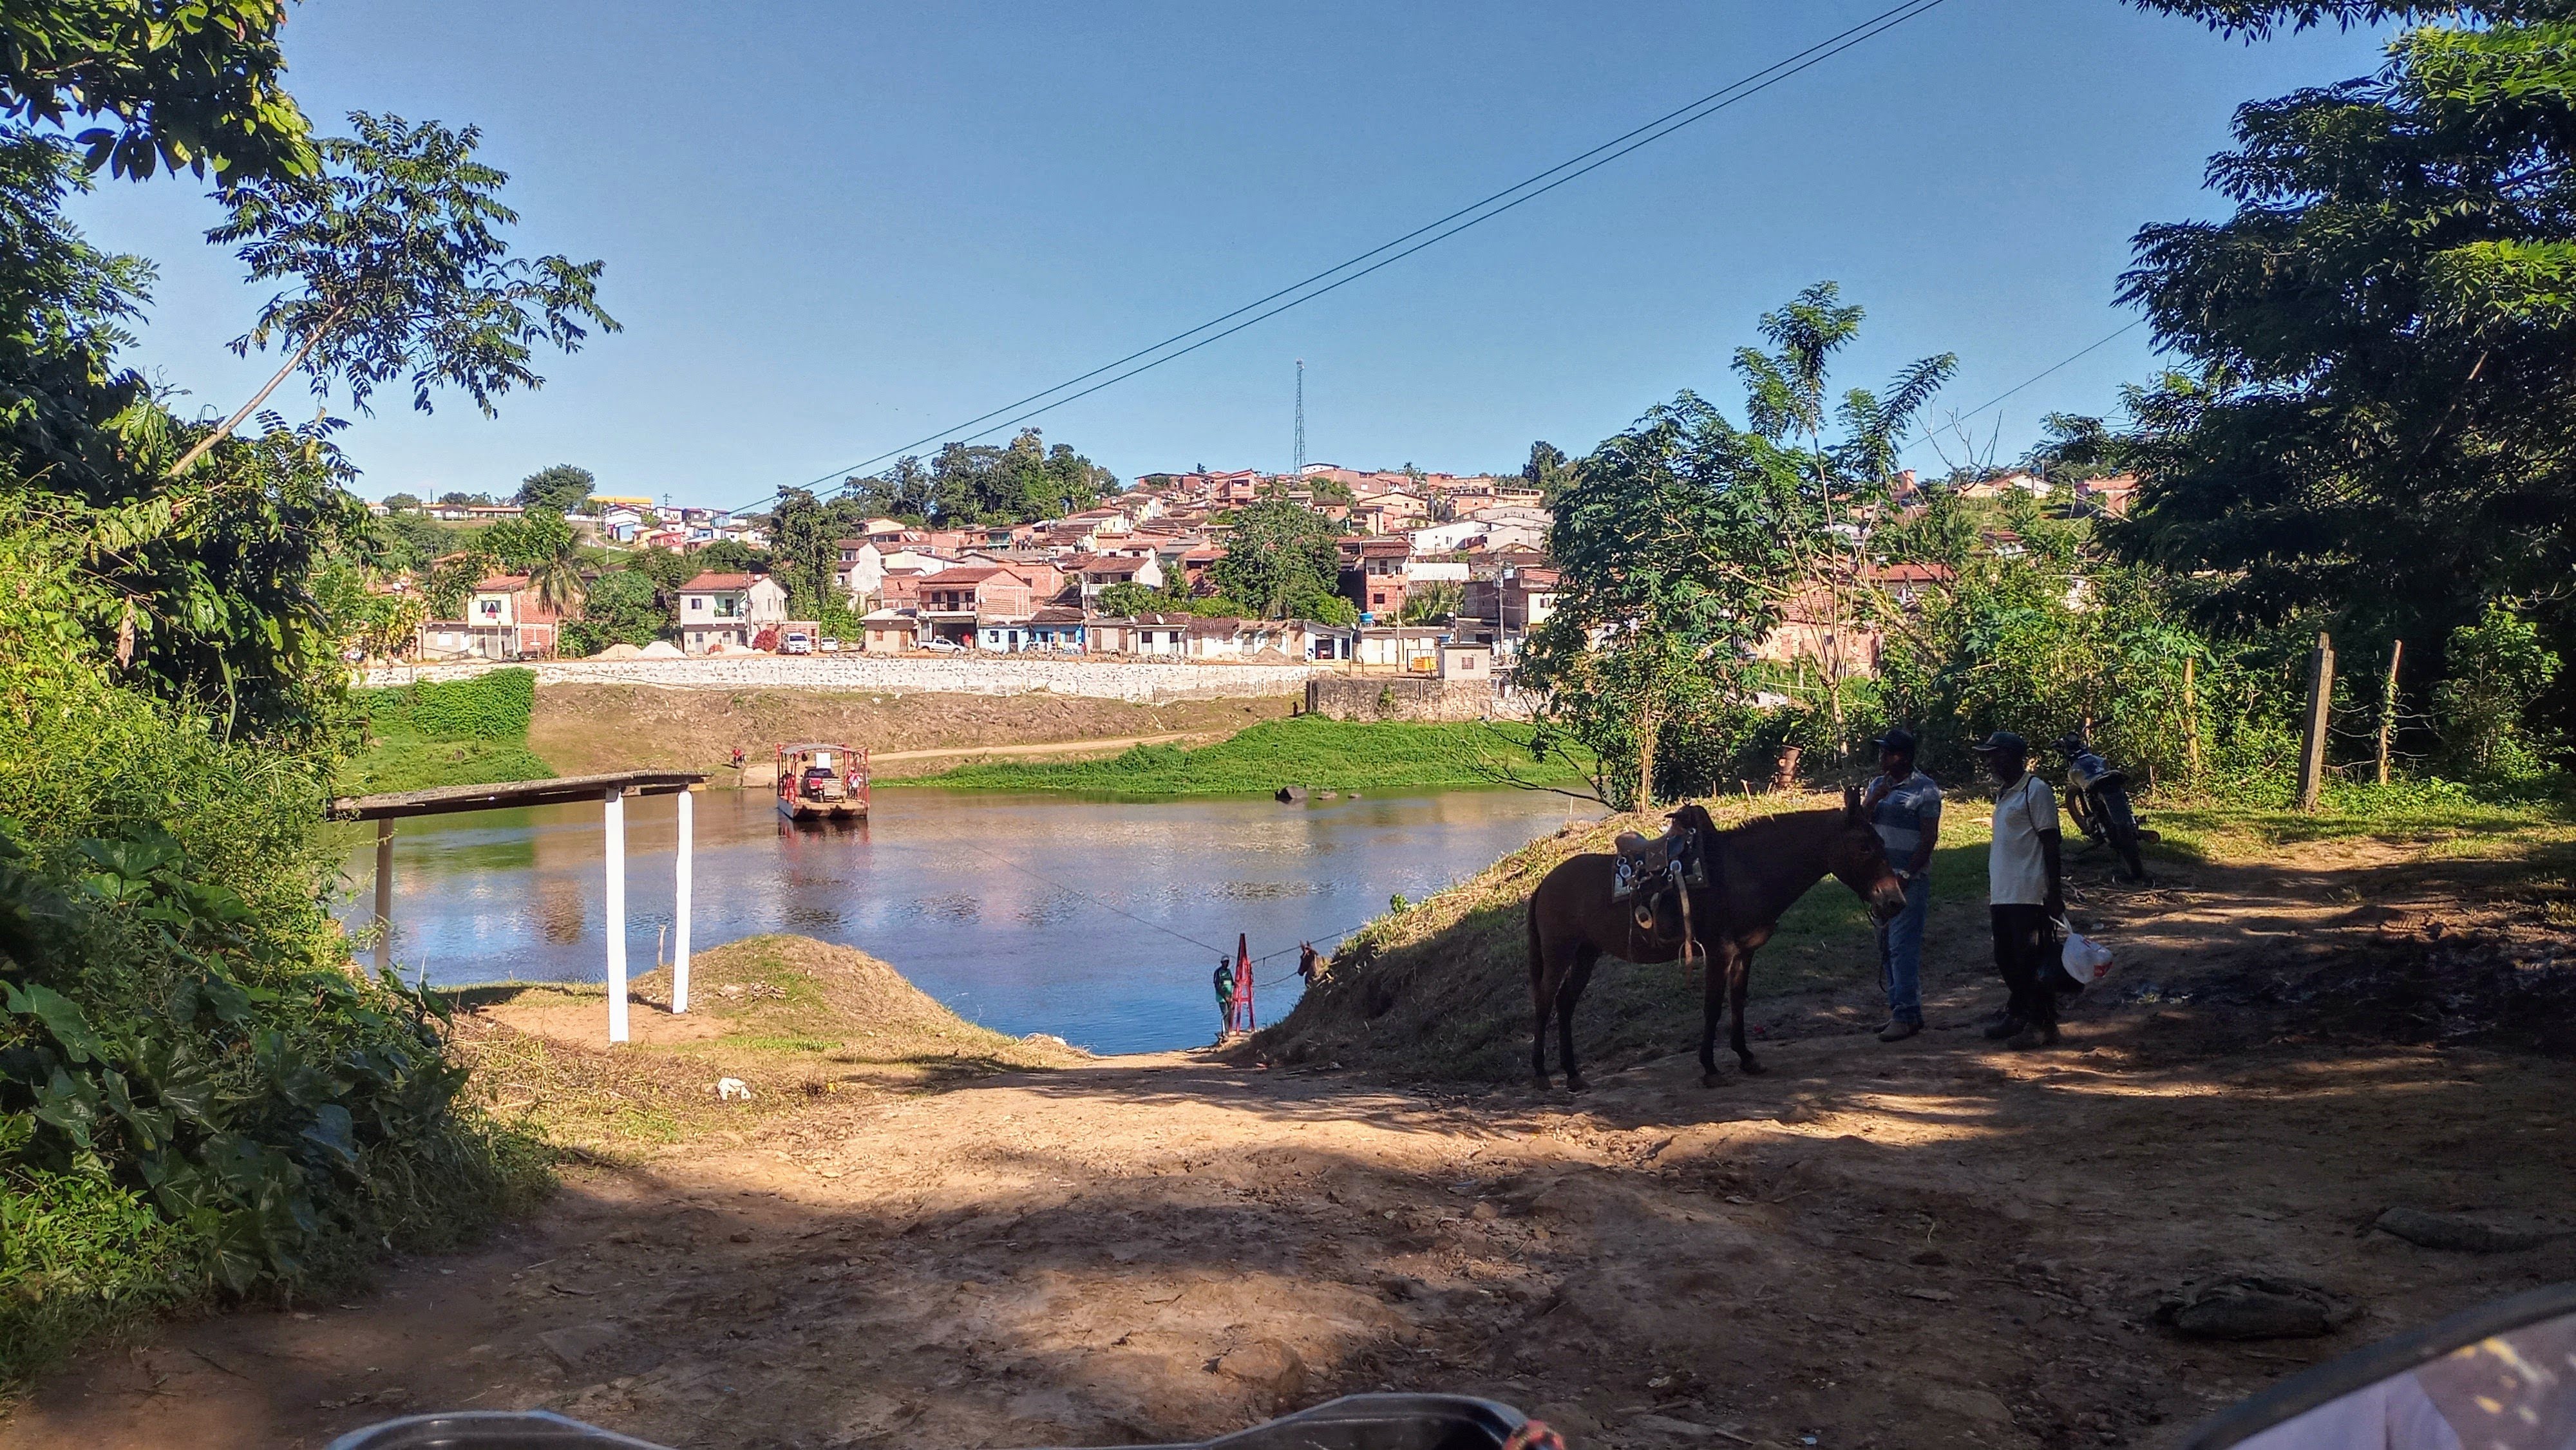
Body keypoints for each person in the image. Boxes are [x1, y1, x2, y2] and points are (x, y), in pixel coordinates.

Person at [1971, 731, 2066, 1049]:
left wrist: (2054, 893)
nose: (1990, 762)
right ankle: (2020, 1012)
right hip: (2003, 892)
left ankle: (2042, 1023)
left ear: (2011, 756)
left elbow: (2051, 843)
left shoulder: (2035, 791)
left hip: (2028, 892)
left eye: (1994, 755)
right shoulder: (2005, 794)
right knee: (2005, 958)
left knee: (2030, 959)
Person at [1862, 727, 1940, 1042]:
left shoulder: (1925, 790)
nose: (1882, 757)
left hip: (1908, 881)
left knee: (1901, 947)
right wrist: (1872, 800)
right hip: (1880, 881)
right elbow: (1860, 826)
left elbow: (1929, 837)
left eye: (1888, 752)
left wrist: (1907, 875)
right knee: (1884, 947)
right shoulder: (1877, 786)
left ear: (1904, 757)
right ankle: (1904, 1010)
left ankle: (1905, 1013)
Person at [1212, 956, 1236, 1040]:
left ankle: (1228, 1030)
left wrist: (1236, 985)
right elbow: (1217, 986)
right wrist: (1225, 996)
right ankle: (1224, 1033)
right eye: (1225, 962)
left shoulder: (1228, 972)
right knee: (1225, 1014)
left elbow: (1232, 982)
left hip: (1229, 996)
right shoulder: (1218, 972)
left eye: (1228, 962)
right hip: (1222, 997)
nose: (1226, 963)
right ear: (1222, 963)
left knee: (1230, 1014)